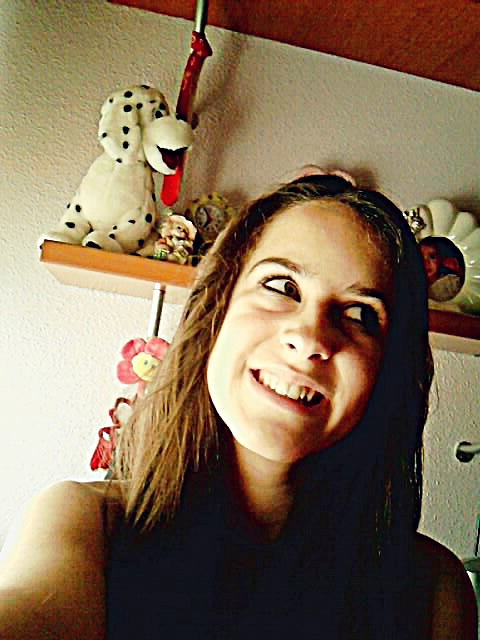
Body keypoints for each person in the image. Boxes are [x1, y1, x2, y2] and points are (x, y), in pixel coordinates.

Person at [0, 173, 476, 639]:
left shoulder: (434, 592)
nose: (310, 338)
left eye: (359, 314)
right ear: (219, 308)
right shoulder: (85, 523)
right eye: (282, 286)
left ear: (388, 371)